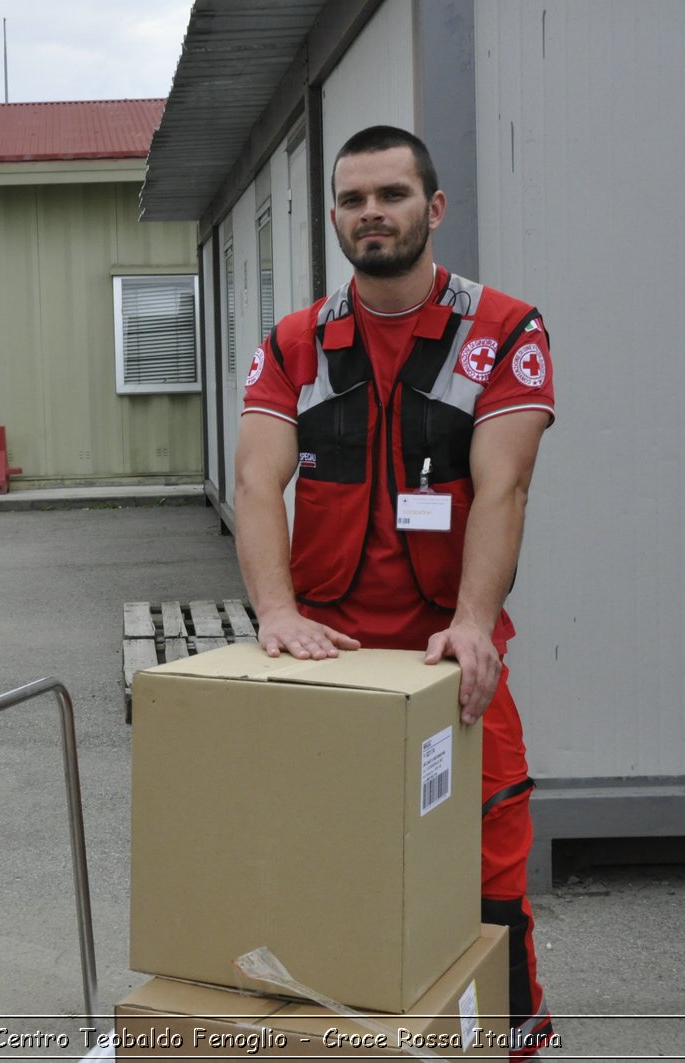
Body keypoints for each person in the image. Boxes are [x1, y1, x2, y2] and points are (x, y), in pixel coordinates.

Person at [234, 125, 555, 1060]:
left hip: (448, 659)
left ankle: (511, 1043)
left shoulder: (504, 330)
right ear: (335, 217)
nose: (372, 212)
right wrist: (277, 613)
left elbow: (505, 484)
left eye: (392, 194)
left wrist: (471, 624)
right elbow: (258, 483)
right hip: (327, 664)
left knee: (491, 876)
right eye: (353, 199)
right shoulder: (297, 341)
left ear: (434, 207)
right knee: (316, 874)